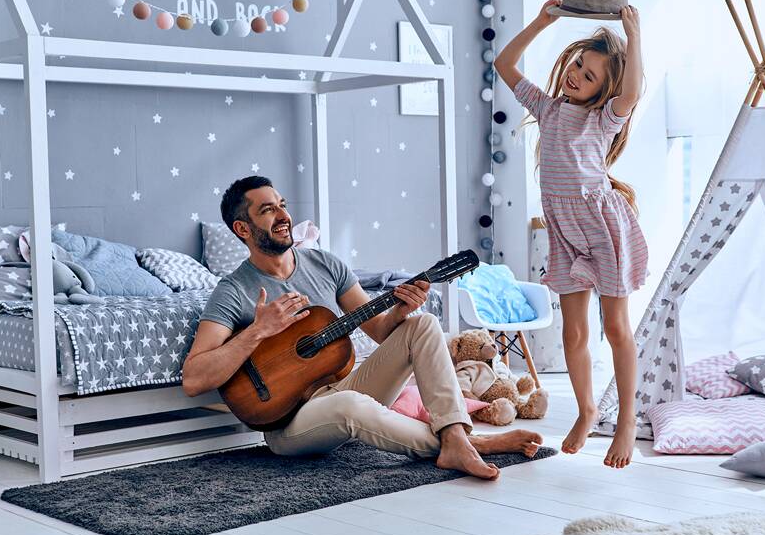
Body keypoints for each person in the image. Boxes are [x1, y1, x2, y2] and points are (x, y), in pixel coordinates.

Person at [182, 176, 542, 479]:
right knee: (350, 404)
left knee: (424, 323)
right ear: (242, 229)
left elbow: (383, 332)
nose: (283, 216)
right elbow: (195, 378)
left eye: (282, 204)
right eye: (267, 209)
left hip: (343, 386)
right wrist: (258, 331)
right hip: (290, 424)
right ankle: (466, 442)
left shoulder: (325, 264)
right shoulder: (232, 290)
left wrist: (400, 310)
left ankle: (455, 440)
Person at [494, 0, 648, 469]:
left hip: (603, 227)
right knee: (574, 333)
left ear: (606, 89)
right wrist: (544, 21)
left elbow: (633, 90)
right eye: (578, 64)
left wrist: (634, 37)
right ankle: (586, 409)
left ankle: (626, 422)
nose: (577, 75)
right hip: (564, 233)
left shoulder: (605, 119)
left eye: (590, 74)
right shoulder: (548, 109)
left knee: (616, 327)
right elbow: (504, 63)